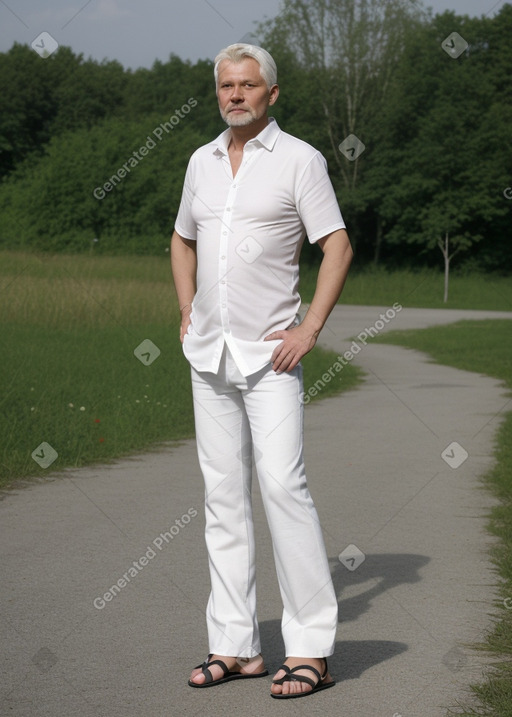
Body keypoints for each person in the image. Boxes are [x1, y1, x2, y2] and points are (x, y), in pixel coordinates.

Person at [170, 43, 353, 699]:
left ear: (271, 94)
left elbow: (337, 244)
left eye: (248, 85)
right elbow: (181, 237)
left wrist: (310, 329)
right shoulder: (202, 161)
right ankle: (237, 645)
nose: (236, 95)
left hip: (271, 357)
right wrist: (187, 305)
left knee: (282, 488)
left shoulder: (301, 160)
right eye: (226, 85)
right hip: (210, 355)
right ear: (217, 92)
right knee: (222, 498)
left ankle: (311, 650)